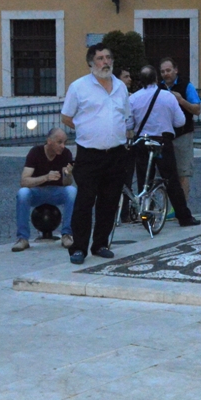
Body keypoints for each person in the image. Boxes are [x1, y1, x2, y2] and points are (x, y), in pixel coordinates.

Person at [60, 43, 132, 265]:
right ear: (91, 63)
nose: (105, 62)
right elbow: (66, 117)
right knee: (84, 201)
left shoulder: (121, 87)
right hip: (89, 155)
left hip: (116, 154)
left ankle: (100, 244)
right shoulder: (79, 87)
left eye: (108, 57)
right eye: (100, 58)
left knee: (109, 202)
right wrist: (86, 129)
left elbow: (125, 116)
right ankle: (78, 248)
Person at [129, 65, 201, 227]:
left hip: (142, 142)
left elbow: (128, 123)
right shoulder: (168, 97)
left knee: (144, 180)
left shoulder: (133, 99)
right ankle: (184, 217)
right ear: (156, 79)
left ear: (140, 81)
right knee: (171, 180)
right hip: (162, 142)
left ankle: (147, 215)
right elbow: (180, 121)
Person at [12, 127, 75, 252]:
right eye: (59, 142)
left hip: (56, 192)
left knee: (72, 191)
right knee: (23, 193)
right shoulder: (36, 152)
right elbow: (24, 181)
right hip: (37, 192)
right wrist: (46, 177)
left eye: (65, 142)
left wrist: (68, 174)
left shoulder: (66, 154)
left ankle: (67, 234)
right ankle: (22, 238)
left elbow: (67, 183)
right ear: (49, 141)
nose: (63, 146)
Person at [159, 57, 201, 200]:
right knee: (164, 174)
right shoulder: (158, 89)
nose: (166, 74)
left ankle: (182, 209)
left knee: (183, 172)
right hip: (163, 136)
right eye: (163, 71)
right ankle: (167, 209)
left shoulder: (186, 86)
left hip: (183, 135)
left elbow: (197, 109)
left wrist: (181, 101)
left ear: (175, 70)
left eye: (169, 70)